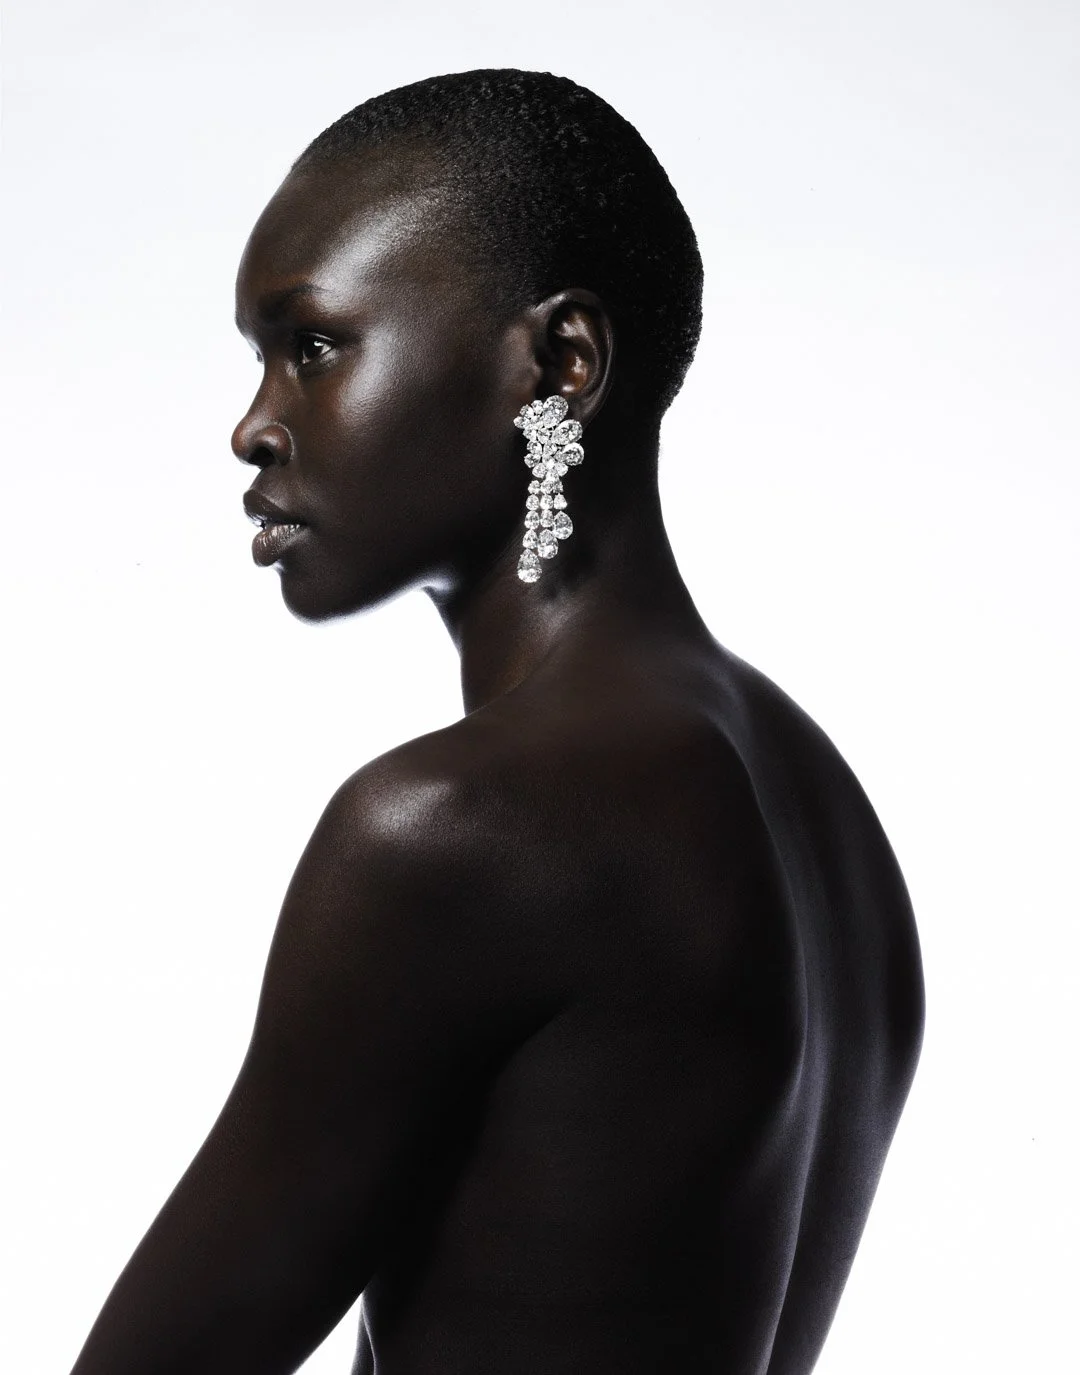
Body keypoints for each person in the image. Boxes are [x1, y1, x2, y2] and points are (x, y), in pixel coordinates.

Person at [69, 69, 924, 1375]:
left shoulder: (457, 828)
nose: (252, 426)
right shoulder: (835, 823)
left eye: (313, 345)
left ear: (560, 364)